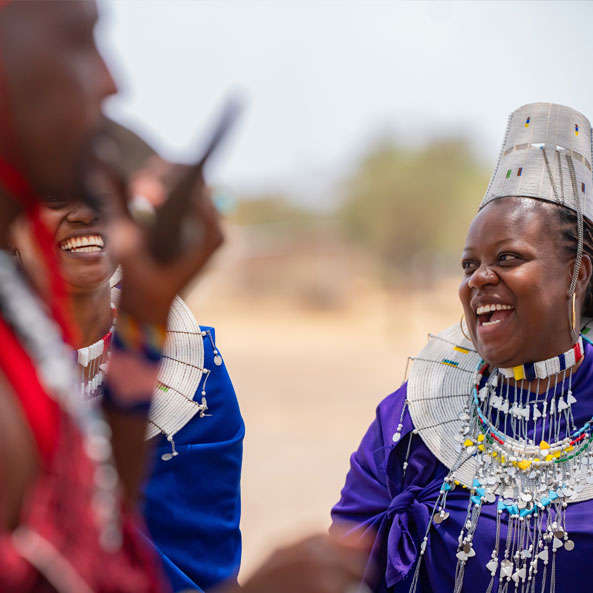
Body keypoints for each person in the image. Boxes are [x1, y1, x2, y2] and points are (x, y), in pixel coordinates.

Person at [0, 2, 372, 592]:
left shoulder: (176, 365)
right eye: (79, 37)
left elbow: (88, 553)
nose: (110, 80)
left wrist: (145, 320)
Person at [332, 102, 593, 593]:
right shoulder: (412, 420)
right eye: (469, 265)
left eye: (507, 258)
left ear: (576, 276)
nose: (480, 279)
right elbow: (342, 563)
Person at [11, 187, 244, 593]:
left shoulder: (192, 375)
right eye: (54, 194)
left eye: (103, 194)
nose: (85, 212)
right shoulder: (10, 368)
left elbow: (201, 569)